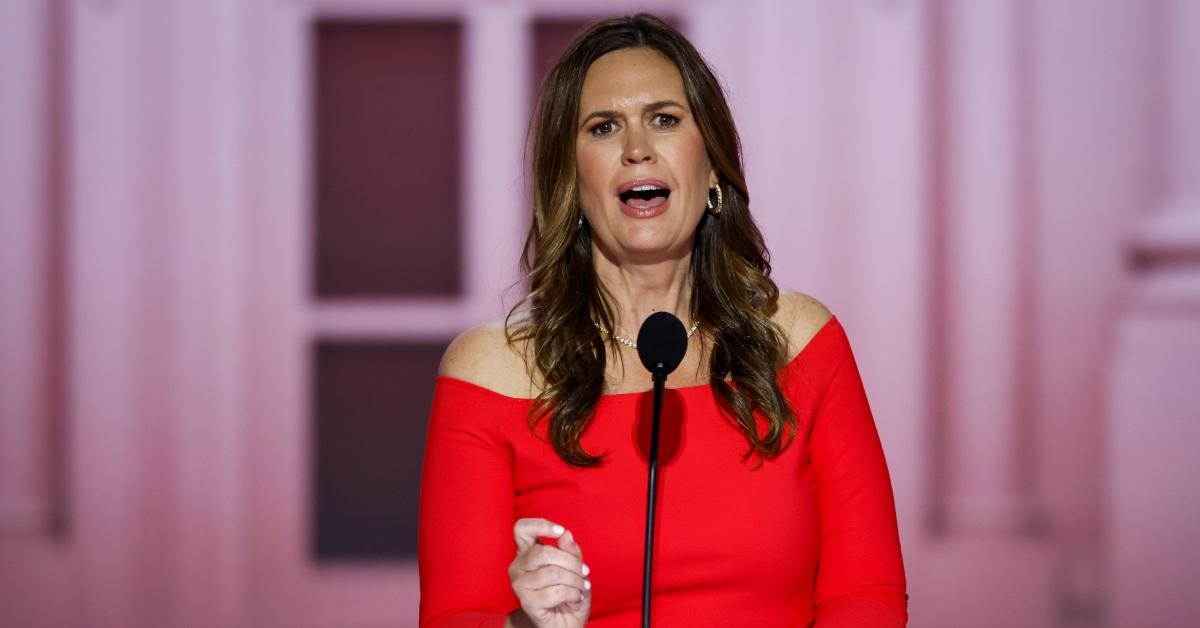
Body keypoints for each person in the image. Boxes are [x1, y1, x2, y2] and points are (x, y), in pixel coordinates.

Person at [418, 13, 907, 628]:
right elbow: (454, 617)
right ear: (570, 177)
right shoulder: (491, 372)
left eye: (665, 120)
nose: (636, 148)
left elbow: (866, 596)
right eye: (603, 127)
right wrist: (528, 627)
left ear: (712, 168)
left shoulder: (800, 341)